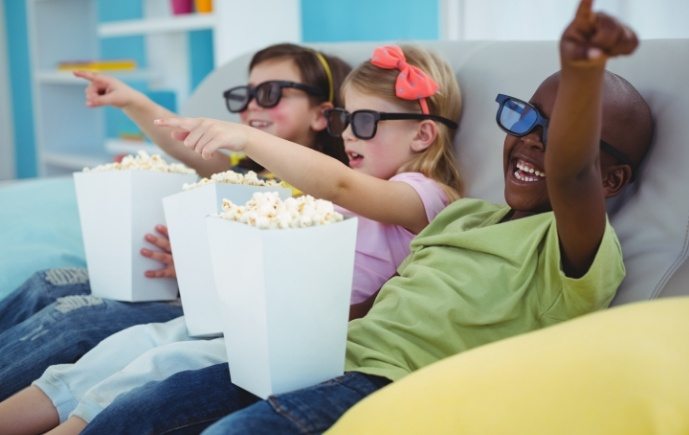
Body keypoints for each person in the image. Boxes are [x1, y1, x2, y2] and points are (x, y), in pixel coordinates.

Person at [74, 1, 651, 433]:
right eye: (524, 120)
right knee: (146, 407)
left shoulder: (573, 249)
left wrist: (582, 73)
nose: (529, 144)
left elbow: (570, 171)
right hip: (324, 355)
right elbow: (383, 296)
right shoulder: (466, 217)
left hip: (390, 387)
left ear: (611, 180)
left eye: (555, 136)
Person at [0, 43, 464, 435]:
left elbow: (337, 184)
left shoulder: (424, 197)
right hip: (246, 315)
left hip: (290, 339)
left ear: (423, 134)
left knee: (150, 370)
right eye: (348, 120)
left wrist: (248, 137)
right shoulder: (325, 190)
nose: (349, 136)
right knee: (119, 352)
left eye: (365, 123)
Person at [0, 43, 351, 401]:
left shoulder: (324, 190)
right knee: (46, 283)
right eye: (245, 94)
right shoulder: (244, 171)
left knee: (72, 319)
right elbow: (184, 143)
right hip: (171, 287)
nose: (251, 106)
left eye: (271, 93)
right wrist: (131, 101)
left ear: (321, 115)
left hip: (205, 311)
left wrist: (194, 267)